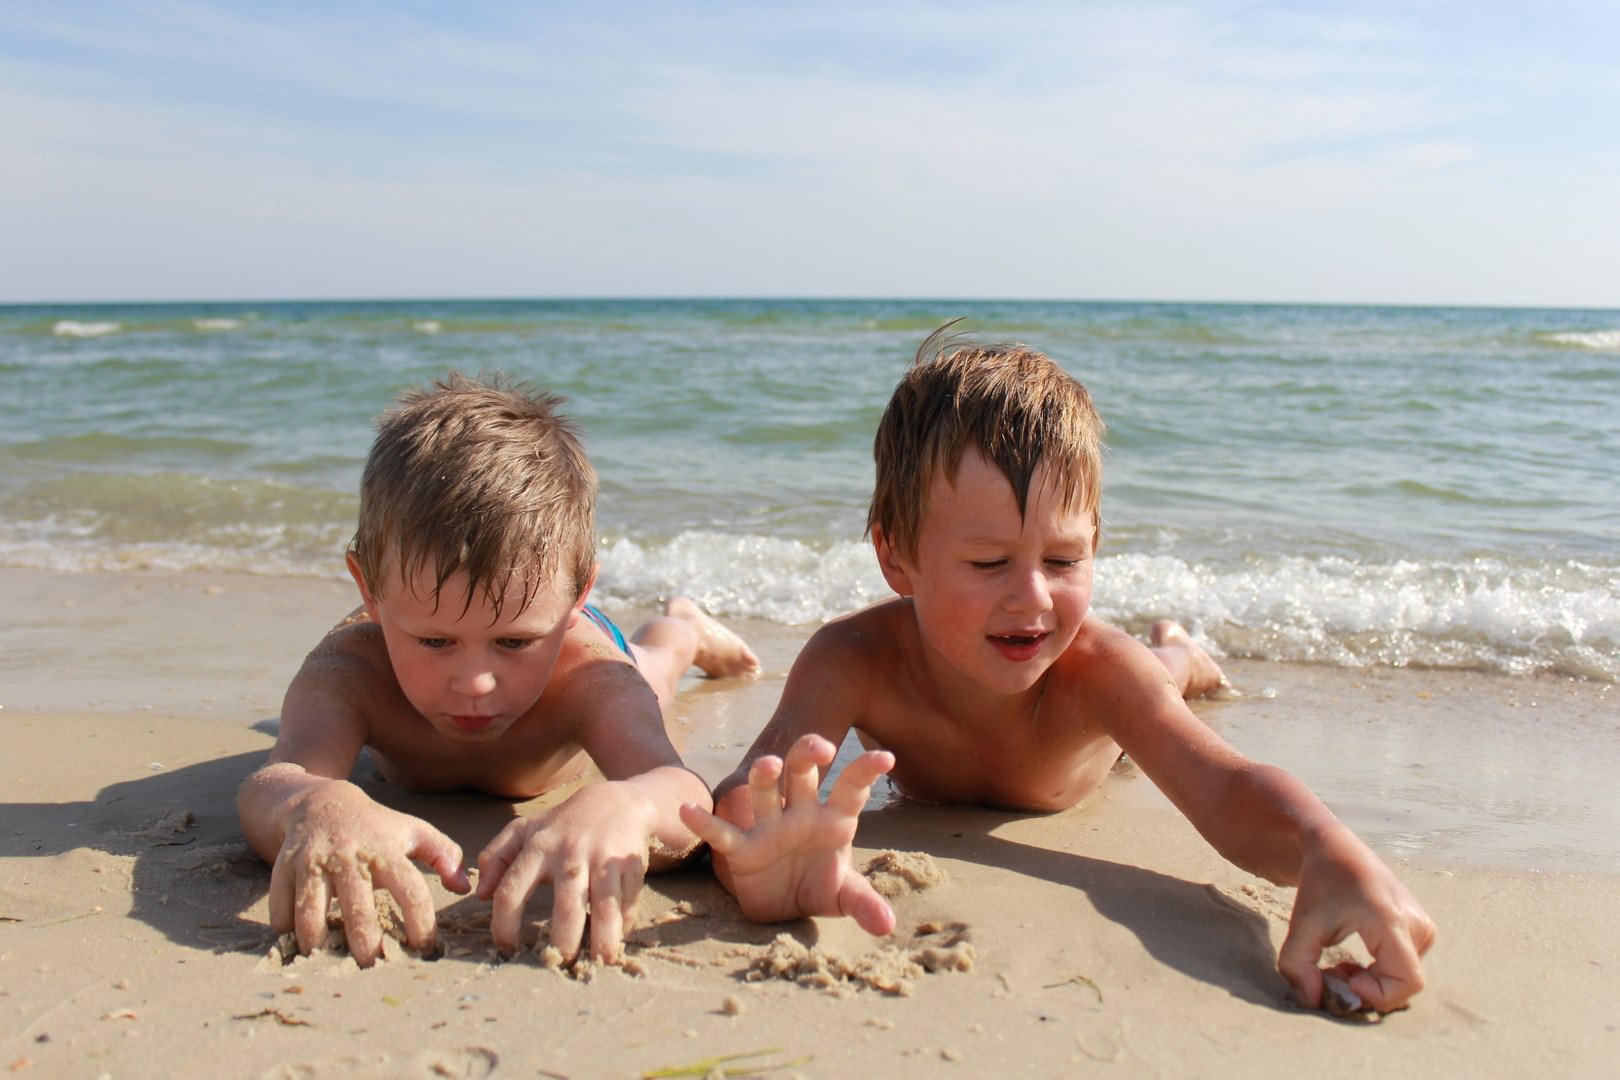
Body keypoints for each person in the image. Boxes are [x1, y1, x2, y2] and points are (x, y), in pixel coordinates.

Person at [680, 326, 1436, 1014]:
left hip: (1116, 718)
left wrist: (1321, 846)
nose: (1033, 598)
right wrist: (753, 854)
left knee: (1158, 674)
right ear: (895, 557)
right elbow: (755, 787)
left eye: (1065, 560)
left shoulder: (1098, 672)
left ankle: (1183, 649)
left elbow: (1225, 786)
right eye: (988, 562)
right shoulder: (855, 659)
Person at [239, 373, 759, 968]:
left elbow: (681, 791)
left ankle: (684, 625)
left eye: (512, 643)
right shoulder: (349, 672)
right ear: (371, 592)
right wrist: (313, 805)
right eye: (435, 640)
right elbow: (275, 781)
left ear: (577, 599)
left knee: (657, 670)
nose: (475, 681)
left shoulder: (587, 676)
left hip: (597, 644)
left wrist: (631, 808)